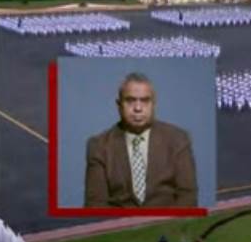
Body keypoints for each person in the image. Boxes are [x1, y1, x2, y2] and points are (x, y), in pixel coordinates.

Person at [84, 72, 198, 207]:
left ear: (153, 104)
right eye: (130, 100)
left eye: (145, 101)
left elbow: (188, 196)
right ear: (119, 105)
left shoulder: (178, 139)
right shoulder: (99, 146)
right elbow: (96, 204)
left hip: (168, 219)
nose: (138, 108)